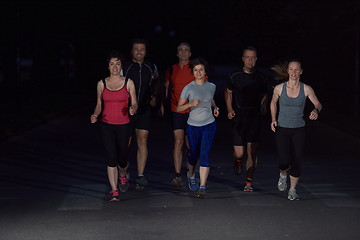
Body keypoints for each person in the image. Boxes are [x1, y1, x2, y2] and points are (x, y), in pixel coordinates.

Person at [270, 59, 322, 200]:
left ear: (301, 71)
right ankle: (283, 174)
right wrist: (273, 119)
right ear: (287, 71)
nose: (294, 72)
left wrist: (316, 111)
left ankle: (292, 190)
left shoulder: (306, 89)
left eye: (297, 69)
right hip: (282, 128)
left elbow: (318, 103)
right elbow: (273, 102)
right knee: (283, 161)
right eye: (291, 69)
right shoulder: (279, 88)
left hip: (299, 129)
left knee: (297, 160)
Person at [90, 50, 137, 201]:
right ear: (108, 67)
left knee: (122, 157)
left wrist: (132, 109)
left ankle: (122, 174)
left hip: (124, 124)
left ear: (121, 65)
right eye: (112, 64)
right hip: (106, 124)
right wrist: (95, 115)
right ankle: (114, 190)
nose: (115, 67)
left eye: (117, 64)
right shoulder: (101, 84)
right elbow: (99, 104)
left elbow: (134, 102)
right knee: (111, 156)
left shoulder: (128, 82)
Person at [224, 46, 267, 192]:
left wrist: (263, 105)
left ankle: (249, 181)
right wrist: (229, 109)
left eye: (253, 57)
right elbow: (228, 92)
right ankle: (238, 160)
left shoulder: (261, 77)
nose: (250, 60)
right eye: (247, 57)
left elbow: (264, 94)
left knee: (252, 151)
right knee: (239, 153)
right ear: (243, 59)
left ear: (256, 59)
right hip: (238, 118)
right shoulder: (234, 75)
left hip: (254, 118)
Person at [176, 57, 219, 198]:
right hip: (193, 126)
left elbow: (210, 98)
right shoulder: (188, 88)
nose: (198, 72)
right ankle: (191, 174)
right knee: (193, 155)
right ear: (193, 72)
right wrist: (190, 104)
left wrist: (215, 107)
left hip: (209, 124)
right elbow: (178, 108)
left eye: (201, 69)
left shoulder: (212, 86)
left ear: (205, 71)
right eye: (195, 70)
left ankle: (202, 187)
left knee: (205, 154)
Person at [122, 38, 158, 190]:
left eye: (142, 49)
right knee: (126, 144)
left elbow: (156, 81)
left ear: (146, 51)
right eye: (136, 49)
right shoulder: (125, 67)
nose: (139, 52)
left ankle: (141, 175)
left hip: (144, 110)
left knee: (142, 140)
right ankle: (123, 172)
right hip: (126, 111)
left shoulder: (151, 66)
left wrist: (154, 96)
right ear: (132, 51)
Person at [159, 42, 194, 187]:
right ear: (177, 53)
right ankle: (178, 174)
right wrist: (162, 103)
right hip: (176, 110)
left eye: (186, 50)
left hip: (192, 111)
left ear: (190, 54)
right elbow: (166, 87)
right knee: (177, 141)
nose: (184, 53)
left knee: (190, 145)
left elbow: (204, 87)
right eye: (181, 50)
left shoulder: (195, 68)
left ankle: (191, 174)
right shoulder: (171, 69)